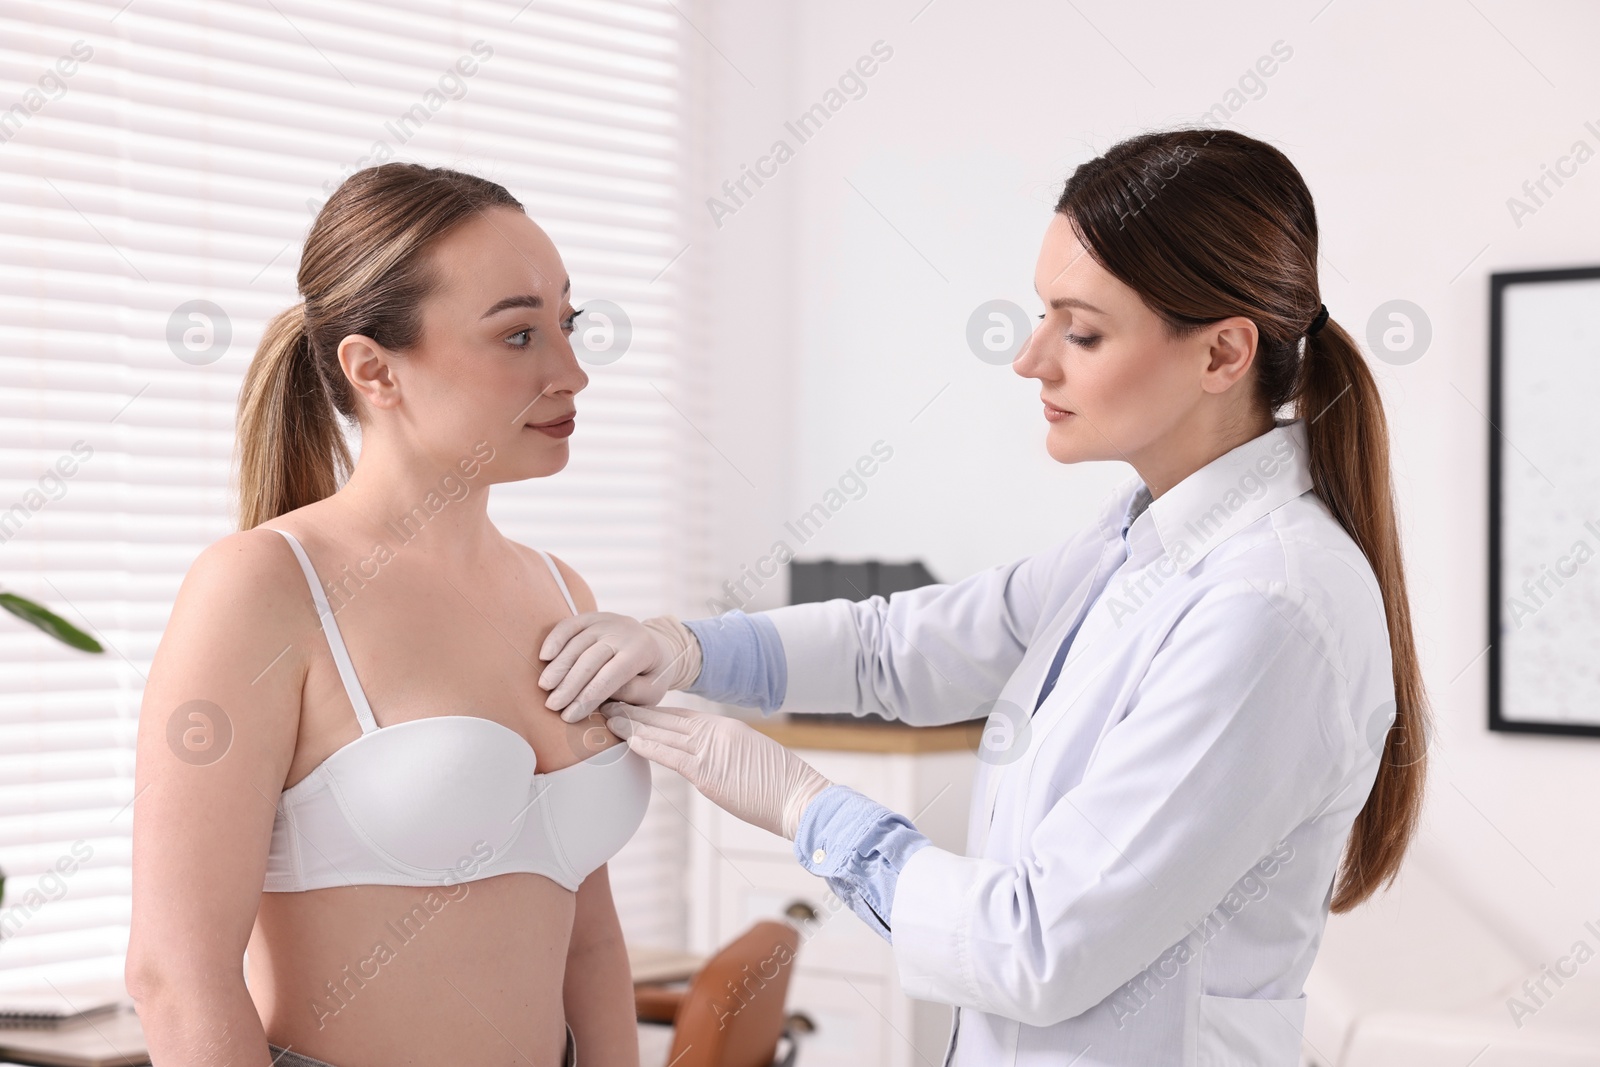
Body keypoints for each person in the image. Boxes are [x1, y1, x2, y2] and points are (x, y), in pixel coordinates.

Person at [536, 128, 1430, 1066]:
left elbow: (1033, 945)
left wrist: (806, 807)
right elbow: (905, 645)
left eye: (1081, 330)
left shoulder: (1269, 607)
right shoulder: (1140, 538)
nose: (1032, 358)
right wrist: (691, 647)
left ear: (1221, 354)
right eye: (1041, 315)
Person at [126, 164, 648, 1067]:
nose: (572, 371)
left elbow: (589, 939)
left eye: (569, 324)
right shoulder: (261, 589)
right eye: (519, 334)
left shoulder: (562, 593)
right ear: (374, 370)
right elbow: (177, 974)